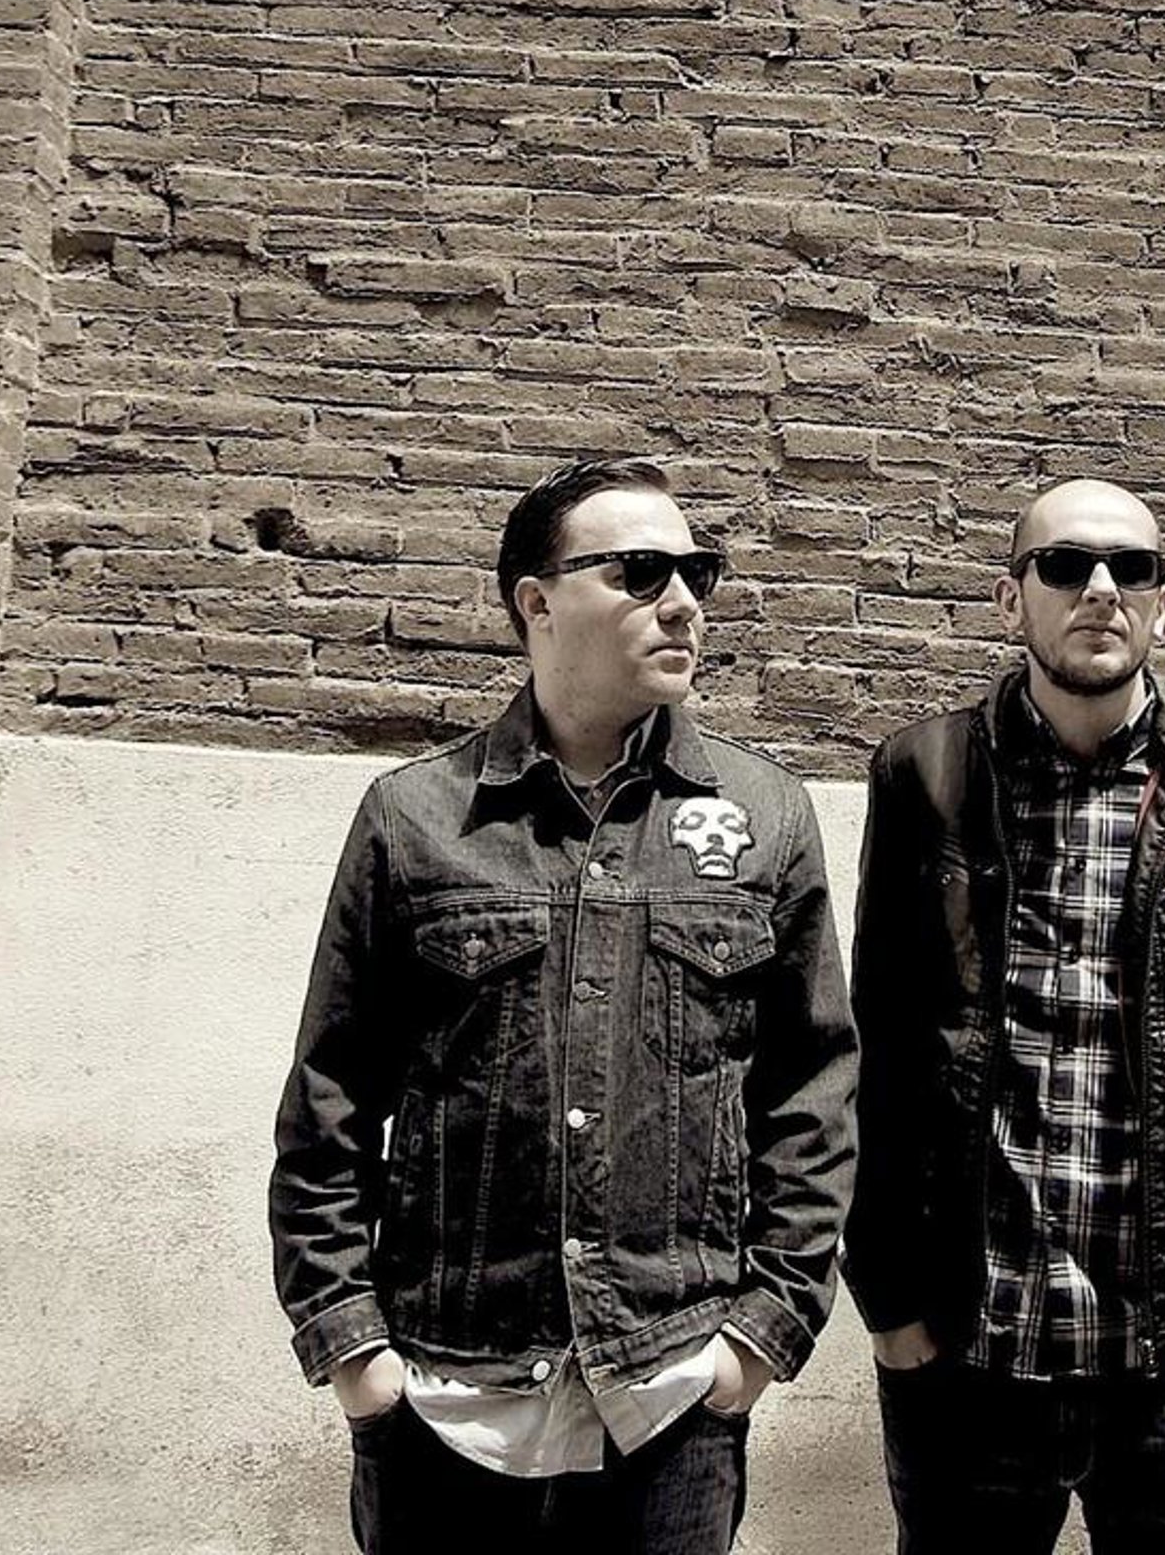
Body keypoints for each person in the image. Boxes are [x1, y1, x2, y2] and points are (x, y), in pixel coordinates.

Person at [271, 454, 857, 1554]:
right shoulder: (417, 817)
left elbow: (811, 1093)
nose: (682, 603)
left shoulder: (765, 816)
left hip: (671, 1398)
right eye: (639, 572)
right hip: (447, 1400)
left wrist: (759, 1337)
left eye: (696, 573)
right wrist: (356, 1355)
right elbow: (329, 1100)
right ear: (536, 603)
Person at [844, 476, 1165, 1555]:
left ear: (1163, 603)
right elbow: (875, 1041)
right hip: (967, 1353)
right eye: (1066, 564)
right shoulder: (924, 774)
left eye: (1133, 568)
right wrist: (886, 1295)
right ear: (1009, 598)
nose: (1102, 588)